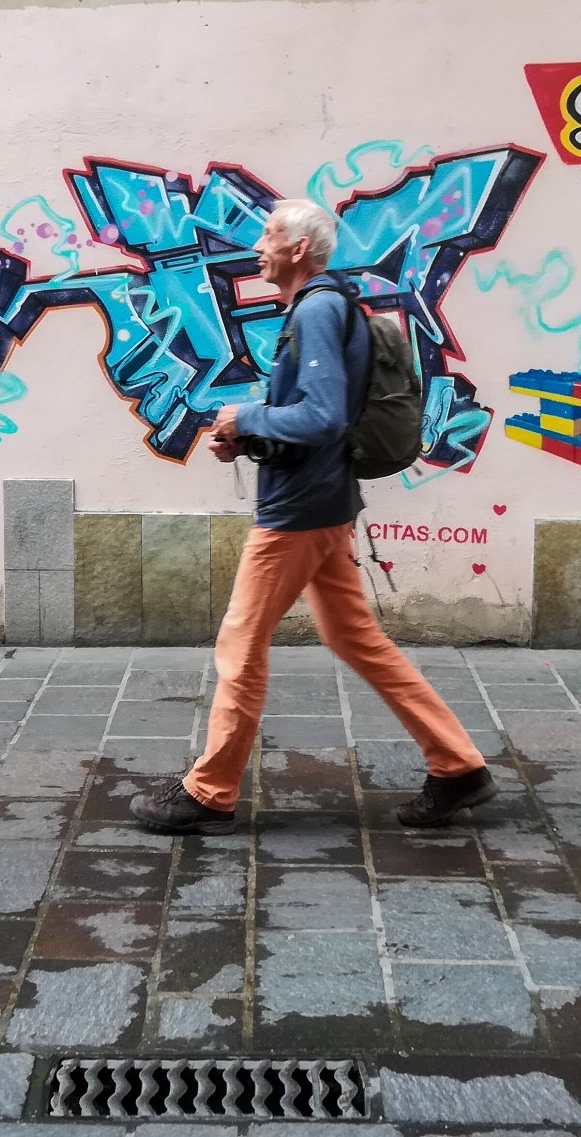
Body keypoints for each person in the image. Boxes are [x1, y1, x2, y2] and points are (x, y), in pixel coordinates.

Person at [131, 199, 497, 836]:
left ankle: (210, 793)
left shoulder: (318, 310)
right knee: (355, 638)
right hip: (324, 502)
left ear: (299, 249)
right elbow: (313, 415)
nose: (258, 247)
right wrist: (248, 435)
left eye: (269, 235)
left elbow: (323, 416)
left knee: (240, 643)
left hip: (298, 511)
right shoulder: (326, 307)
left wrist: (246, 417)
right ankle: (458, 765)